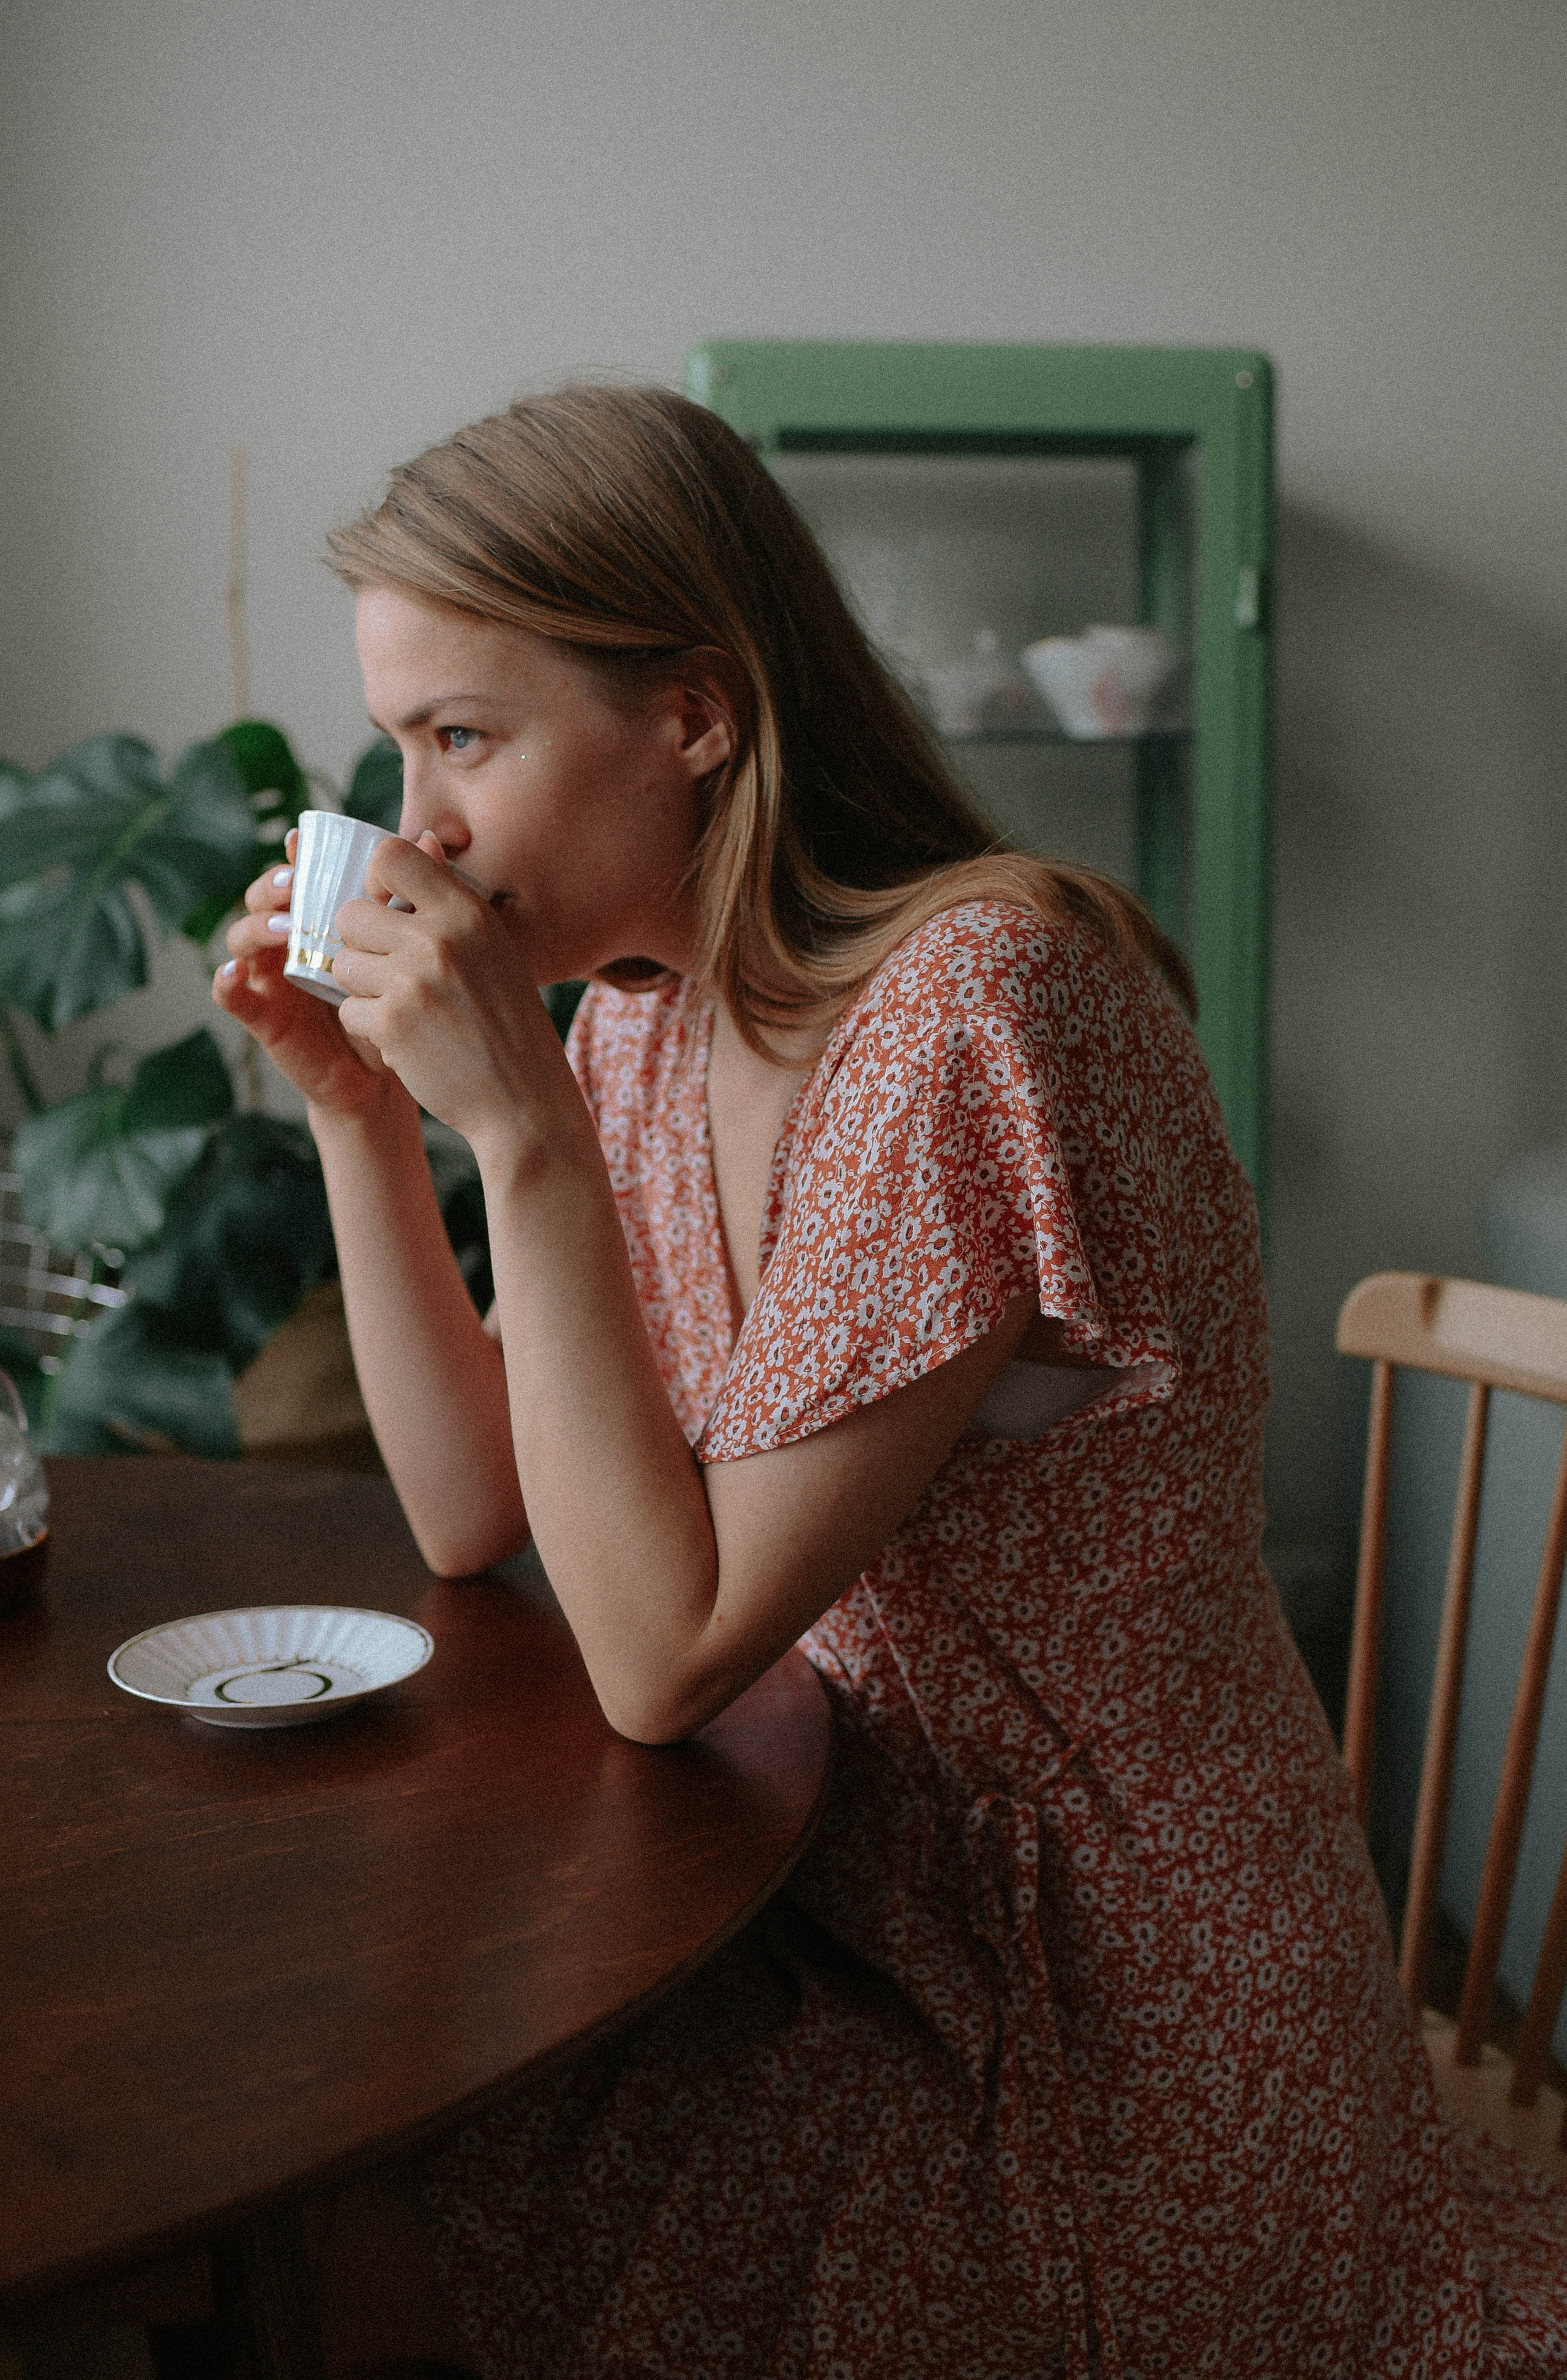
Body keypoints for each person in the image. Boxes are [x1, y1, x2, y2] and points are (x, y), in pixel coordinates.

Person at [217, 385, 1567, 2380]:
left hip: (1126, 2019)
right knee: (392, 2141)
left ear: (695, 711)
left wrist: (518, 1147)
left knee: (433, 2189)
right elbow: (479, 1507)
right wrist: (355, 1117)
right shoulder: (641, 1028)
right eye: (403, 745)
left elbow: (658, 1654)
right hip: (851, 1900)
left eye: (463, 738)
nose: (419, 823)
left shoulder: (973, 1004)